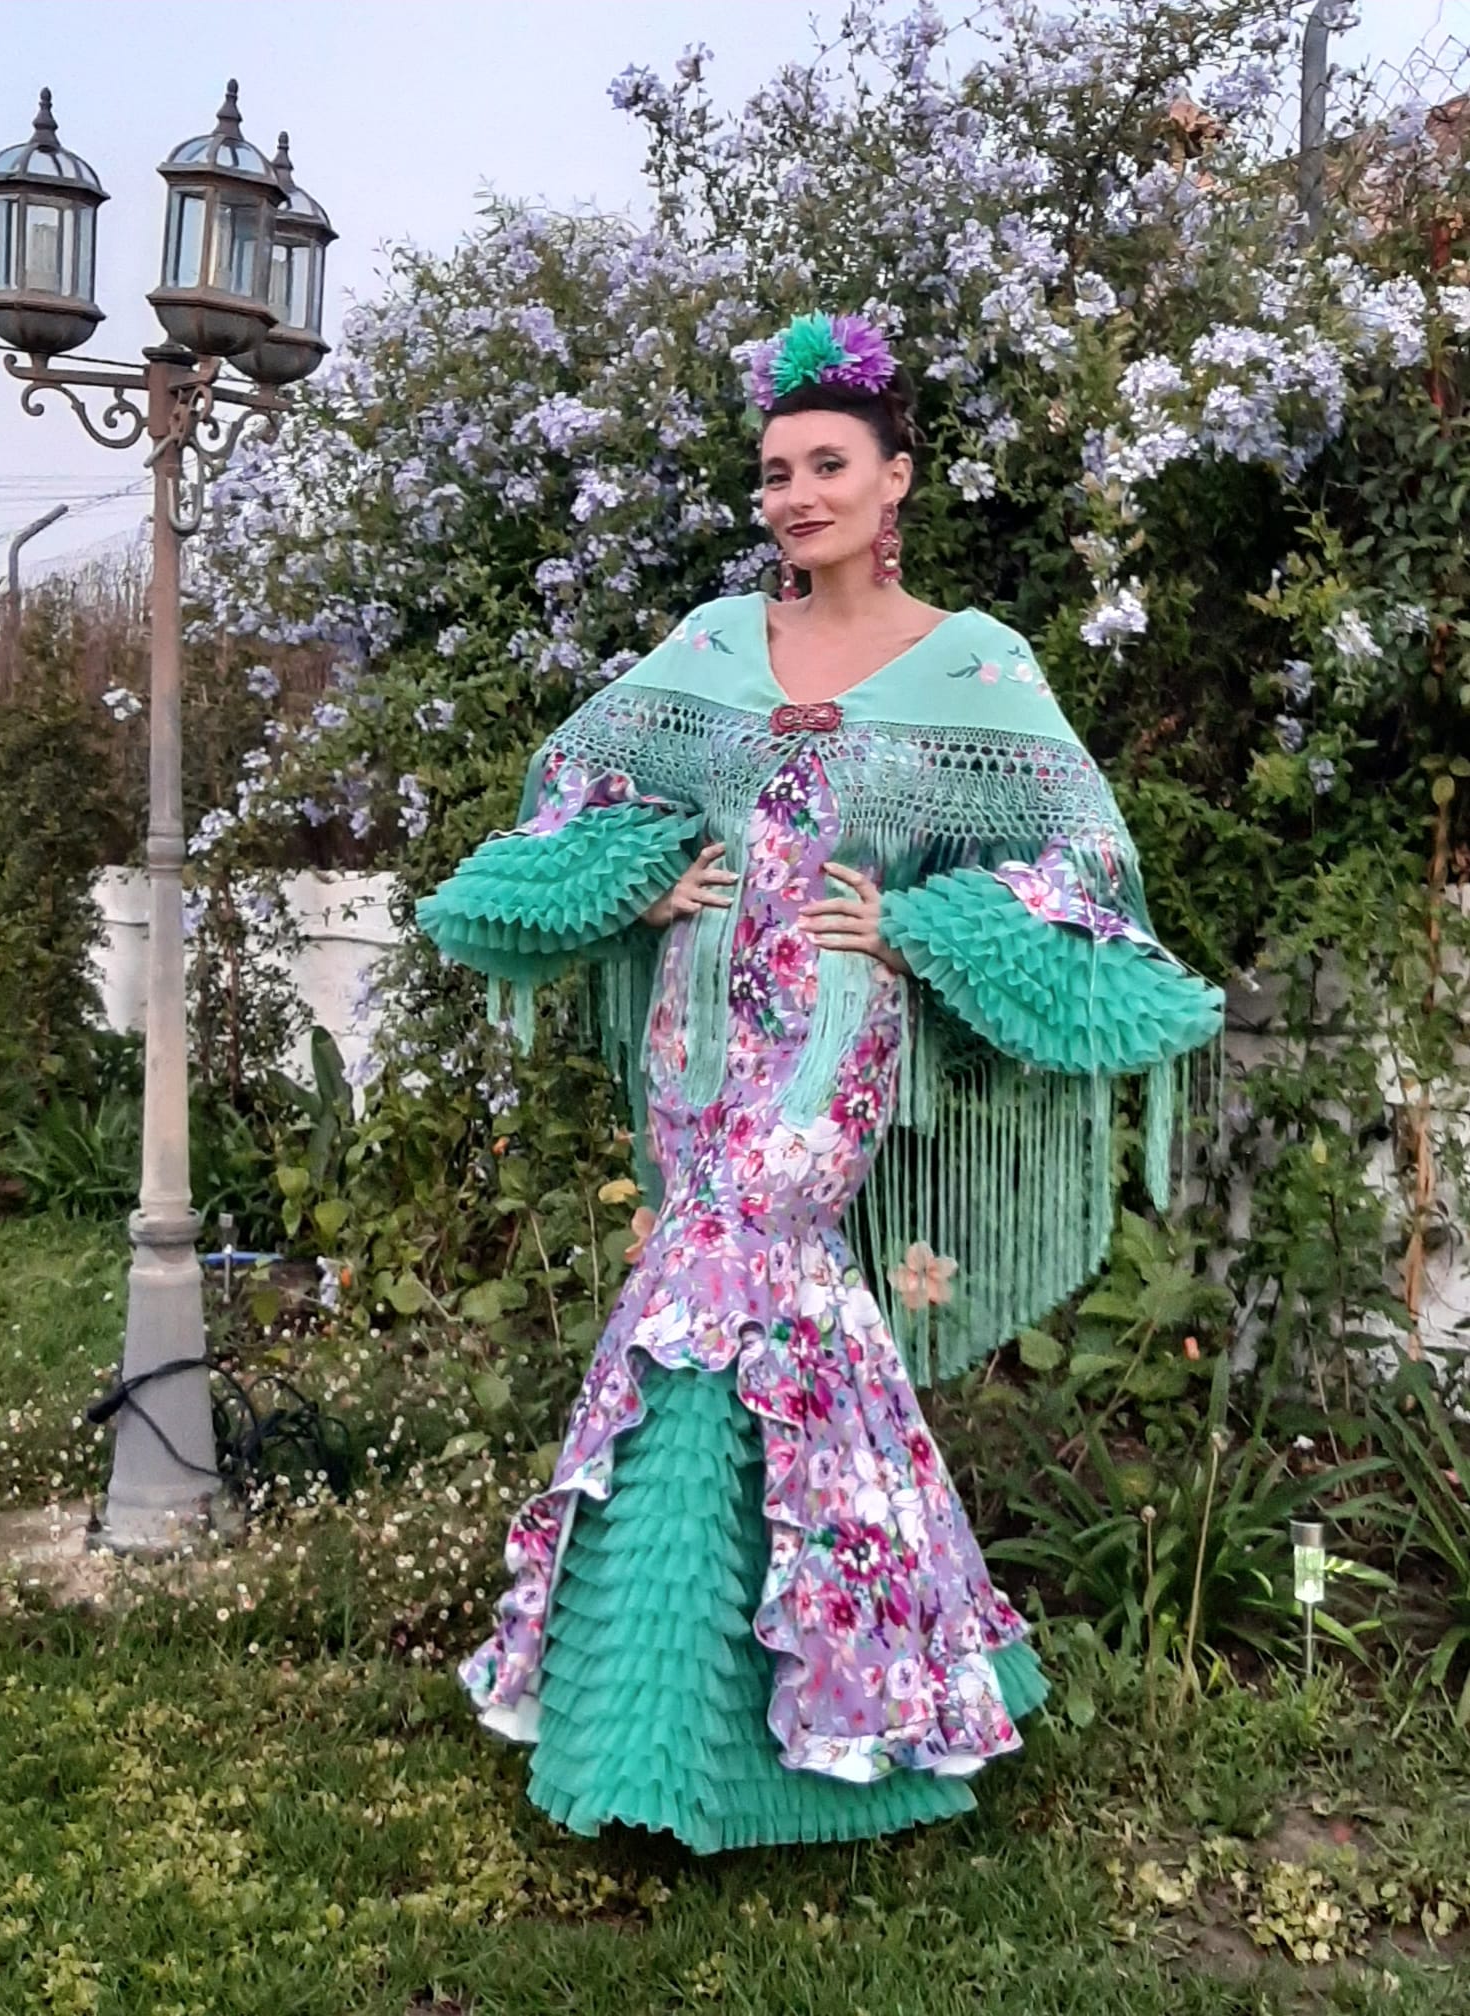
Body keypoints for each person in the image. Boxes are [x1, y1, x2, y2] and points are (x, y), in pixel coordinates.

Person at [417, 310, 1223, 1853]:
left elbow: (1084, 858)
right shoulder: (710, 648)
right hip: (695, 1031)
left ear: (894, 478)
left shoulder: (979, 663)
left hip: (833, 1039)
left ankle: (726, 1727)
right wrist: (648, 885)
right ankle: (822, 1684)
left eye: (827, 466)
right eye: (776, 471)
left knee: (749, 1287)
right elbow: (584, 782)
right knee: (718, 1302)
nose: (795, 495)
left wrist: (916, 930)